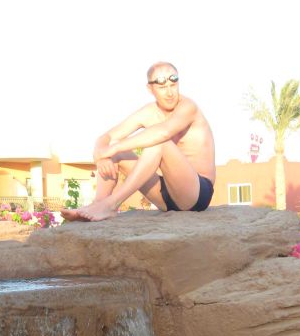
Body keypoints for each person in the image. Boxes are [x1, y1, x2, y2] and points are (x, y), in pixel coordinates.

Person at [62, 61, 216, 221]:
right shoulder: (150, 112)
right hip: (167, 194)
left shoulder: (188, 107)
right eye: (162, 87)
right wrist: (101, 155)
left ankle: (111, 204)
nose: (170, 93)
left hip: (197, 194)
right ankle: (99, 204)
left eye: (173, 85)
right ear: (150, 88)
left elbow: (163, 132)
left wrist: (113, 148)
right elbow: (105, 138)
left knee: (158, 142)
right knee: (115, 154)